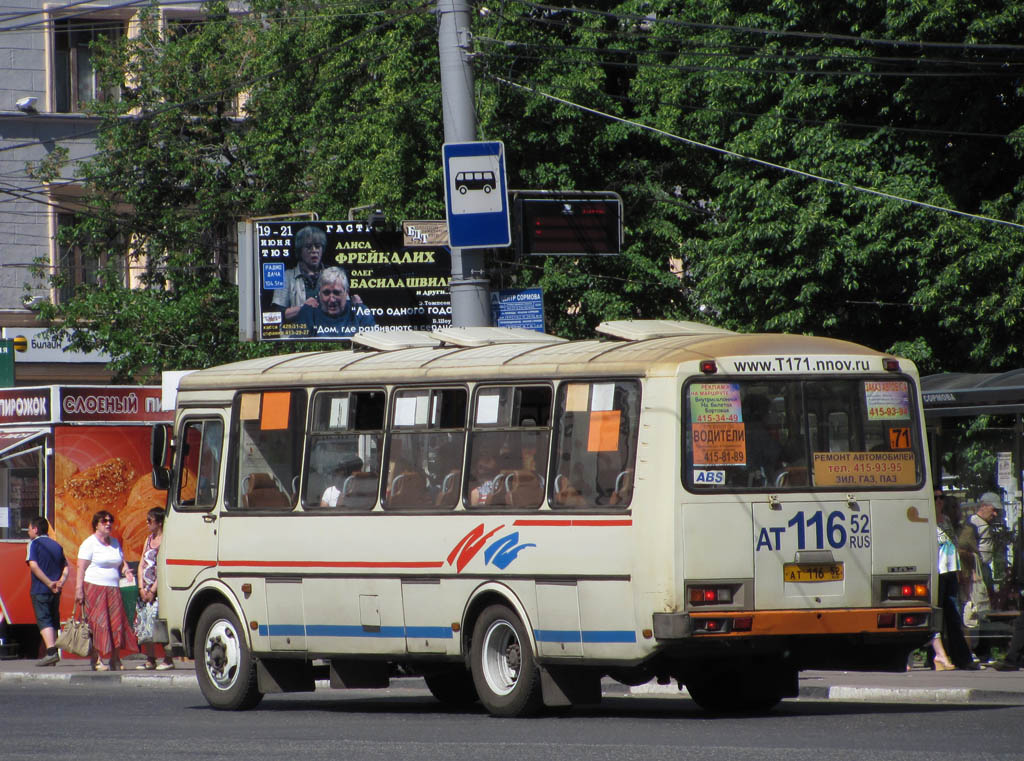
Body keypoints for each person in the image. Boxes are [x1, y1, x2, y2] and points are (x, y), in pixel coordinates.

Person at [75, 510, 137, 671]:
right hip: (94, 588)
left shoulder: (115, 542)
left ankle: (115, 659)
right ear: (96, 524)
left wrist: (126, 571)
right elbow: (81, 568)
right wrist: (79, 590)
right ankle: (97, 659)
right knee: (98, 624)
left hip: (114, 589)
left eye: (110, 521)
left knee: (116, 624)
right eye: (104, 521)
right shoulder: (89, 543)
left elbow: (122, 562)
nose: (108, 523)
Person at [930, 492, 976, 670]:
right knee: (937, 614)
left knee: (953, 615)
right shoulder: (926, 520)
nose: (939, 501)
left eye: (942, 498)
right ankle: (938, 655)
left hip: (950, 570)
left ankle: (960, 657)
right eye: (935, 498)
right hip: (937, 571)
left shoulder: (946, 520)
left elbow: (953, 545)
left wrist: (959, 570)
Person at [958, 491, 1001, 647]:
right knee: (976, 609)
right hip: (976, 572)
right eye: (993, 509)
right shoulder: (973, 523)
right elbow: (963, 547)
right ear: (984, 506)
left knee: (984, 610)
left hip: (984, 569)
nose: (995, 513)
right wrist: (973, 571)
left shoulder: (982, 524)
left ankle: (982, 647)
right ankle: (975, 648)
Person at [25, 517, 68, 667]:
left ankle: (50, 652)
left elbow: (34, 566)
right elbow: (66, 567)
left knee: (44, 619)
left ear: (35, 529)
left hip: (41, 589)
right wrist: (60, 582)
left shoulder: (34, 544)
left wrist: (49, 583)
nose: (28, 531)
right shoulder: (57, 545)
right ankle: (54, 651)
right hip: (56, 591)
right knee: (53, 619)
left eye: (29, 528)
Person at [135, 507, 173, 670]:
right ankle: (150, 658)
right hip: (145, 588)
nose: (147, 523)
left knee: (160, 623)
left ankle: (168, 658)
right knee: (144, 623)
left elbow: (163, 566)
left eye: (150, 520)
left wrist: (153, 590)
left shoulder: (166, 540)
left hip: (158, 590)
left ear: (158, 522)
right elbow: (142, 562)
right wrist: (141, 587)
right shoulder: (148, 539)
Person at [297, 267, 376, 338]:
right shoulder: (308, 313)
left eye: (336, 293)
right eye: (326, 293)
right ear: (319, 294)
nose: (332, 299)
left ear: (346, 293)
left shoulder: (360, 312)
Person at [271, 225, 327, 320]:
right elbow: (277, 315)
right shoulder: (286, 276)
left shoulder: (333, 275)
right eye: (308, 247)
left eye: (318, 246)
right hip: (296, 333)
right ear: (299, 250)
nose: (314, 251)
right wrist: (302, 309)